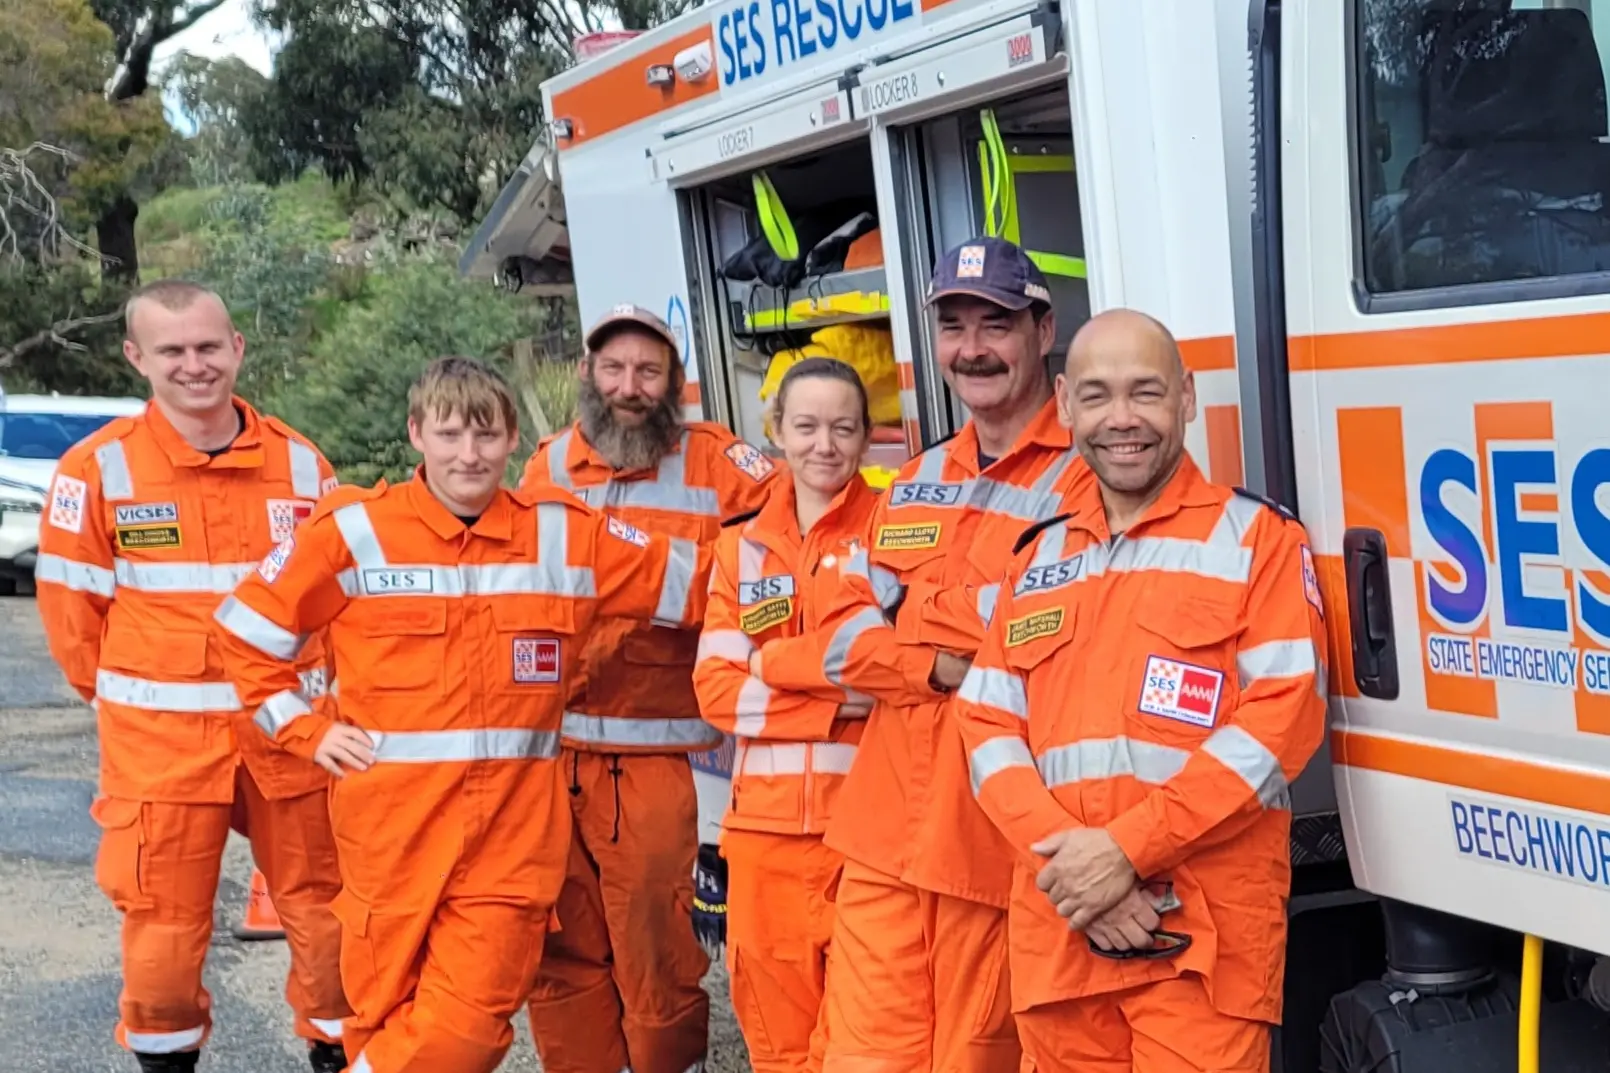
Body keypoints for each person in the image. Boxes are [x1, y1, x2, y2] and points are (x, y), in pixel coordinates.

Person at [208, 356, 715, 1073]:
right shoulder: (355, 532)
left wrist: (805, 542)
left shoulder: (564, 534)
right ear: (416, 434)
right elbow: (243, 632)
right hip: (390, 839)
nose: (468, 454)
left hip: (510, 847)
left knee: (467, 1032)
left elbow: (700, 589)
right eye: (449, 434)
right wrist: (306, 730)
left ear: (514, 441)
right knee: (383, 1020)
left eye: (485, 435)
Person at [953, 309, 1329, 1073]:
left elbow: (1278, 725)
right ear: (1063, 404)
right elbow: (986, 727)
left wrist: (1125, 850)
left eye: (1146, 393)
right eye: (1097, 396)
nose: (1121, 419)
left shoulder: (1256, 541)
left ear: (1187, 397)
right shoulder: (1036, 555)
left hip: (1196, 940)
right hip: (1062, 934)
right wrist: (1079, 877)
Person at [743, 237, 1086, 1072]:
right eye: (954, 325)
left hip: (995, 847)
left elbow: (1050, 624)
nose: (973, 347)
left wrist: (919, 613)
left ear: (1042, 331)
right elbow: (845, 627)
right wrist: (933, 660)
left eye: (996, 323)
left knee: (979, 1061)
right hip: (885, 837)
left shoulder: (1085, 474)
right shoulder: (914, 478)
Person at [33, 279, 351, 1073]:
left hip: (290, 738)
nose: (194, 364)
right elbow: (75, 622)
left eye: (209, 345)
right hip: (161, 750)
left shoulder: (305, 467)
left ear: (238, 348)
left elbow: (339, 603)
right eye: (172, 350)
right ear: (137, 357)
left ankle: (339, 1052)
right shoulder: (95, 471)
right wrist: (136, 701)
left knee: (330, 914)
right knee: (164, 931)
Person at [520, 305, 777, 1073]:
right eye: (614, 369)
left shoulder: (721, 463)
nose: (629, 387)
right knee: (561, 950)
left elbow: (774, 567)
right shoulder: (549, 465)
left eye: (648, 371)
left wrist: (639, 583)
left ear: (674, 382)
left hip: (661, 755)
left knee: (657, 950)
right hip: (556, 751)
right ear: (588, 375)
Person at [692, 358, 952, 1072]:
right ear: (775, 430)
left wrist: (774, 664)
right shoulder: (739, 547)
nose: (824, 445)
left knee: (871, 1047)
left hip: (868, 836)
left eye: (843, 427)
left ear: (869, 437)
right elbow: (716, 690)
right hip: (763, 840)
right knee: (778, 1045)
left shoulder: (898, 530)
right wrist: (838, 698)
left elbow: (900, 673)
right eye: (805, 426)